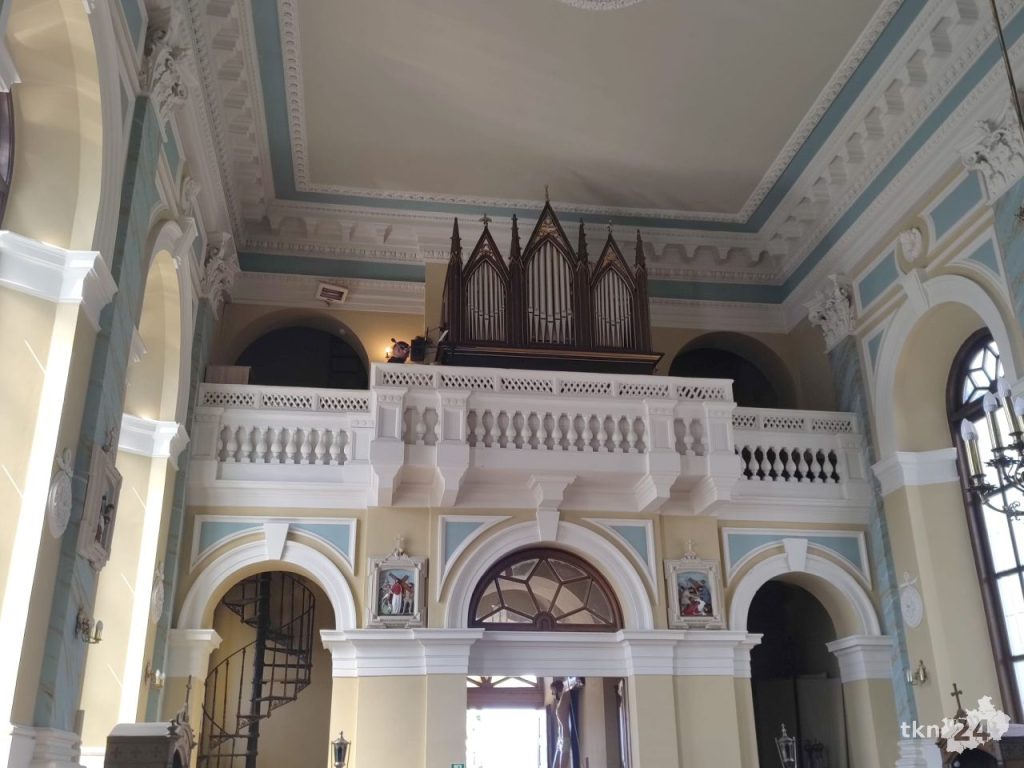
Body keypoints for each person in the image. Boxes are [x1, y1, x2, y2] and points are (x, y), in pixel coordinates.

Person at [551, 677, 583, 768]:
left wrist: (577, 681)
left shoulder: (565, 694)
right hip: (560, 736)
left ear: (556, 688)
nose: (552, 693)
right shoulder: (559, 700)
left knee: (562, 765)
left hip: (565, 734)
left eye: (552, 690)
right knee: (555, 764)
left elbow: (575, 686)